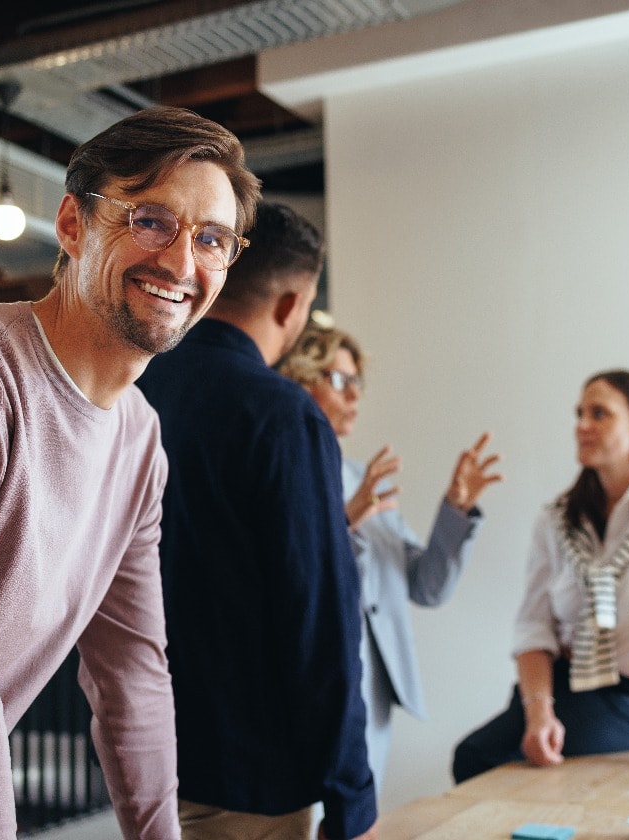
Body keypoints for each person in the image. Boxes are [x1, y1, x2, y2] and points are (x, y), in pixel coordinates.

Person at [0, 105, 261, 839]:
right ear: (72, 225)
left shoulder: (139, 439)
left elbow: (133, 677)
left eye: (212, 238)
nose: (182, 263)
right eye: (150, 219)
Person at [136, 202, 377, 840]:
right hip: (253, 772)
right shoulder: (282, 414)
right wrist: (354, 796)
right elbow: (319, 615)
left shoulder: (136, 391)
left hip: (147, 756)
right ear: (291, 304)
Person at [451, 369, 629, 784]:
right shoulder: (558, 518)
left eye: (600, 414)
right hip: (561, 687)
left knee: (487, 761)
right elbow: (534, 626)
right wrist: (539, 712)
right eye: (579, 413)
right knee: (474, 758)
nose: (582, 426)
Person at [278, 322, 503, 791]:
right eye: (340, 380)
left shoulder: (367, 480)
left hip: (374, 692)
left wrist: (456, 510)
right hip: (305, 690)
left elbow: (425, 587)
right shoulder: (283, 471)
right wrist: (345, 518)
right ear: (300, 380)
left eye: (358, 382)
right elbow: (284, 576)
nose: (354, 394)